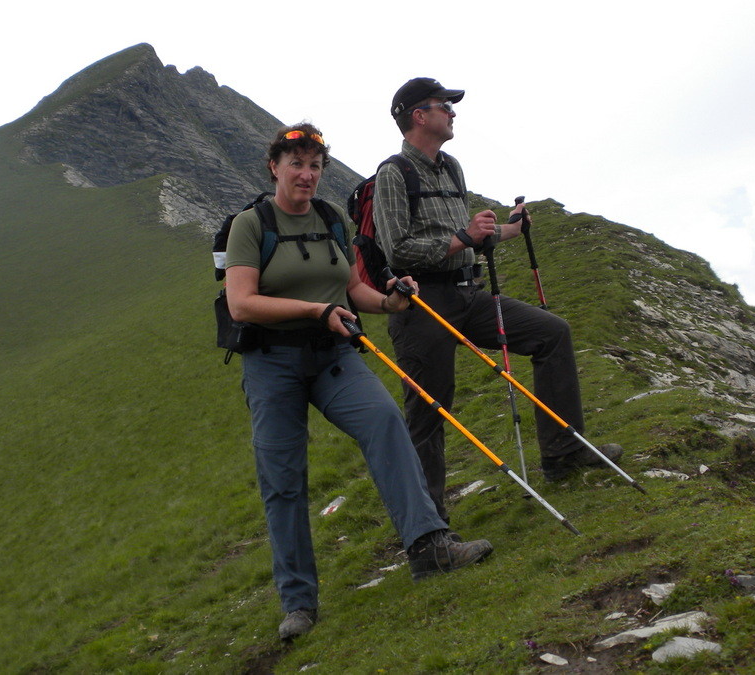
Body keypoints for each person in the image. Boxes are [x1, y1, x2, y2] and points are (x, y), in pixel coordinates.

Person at [225, 122, 493, 641]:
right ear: (274, 166)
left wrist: (392, 299)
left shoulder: (329, 219)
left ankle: (429, 548)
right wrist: (315, 308)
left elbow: (353, 289)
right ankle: (299, 604)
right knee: (283, 479)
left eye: (315, 166)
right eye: (296, 164)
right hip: (272, 362)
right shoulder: (250, 225)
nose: (306, 174)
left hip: (332, 356)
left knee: (386, 421)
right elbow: (242, 303)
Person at [373, 78, 623, 521]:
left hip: (468, 294)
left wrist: (507, 230)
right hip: (422, 305)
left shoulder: (451, 167)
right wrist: (460, 238)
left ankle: (563, 453)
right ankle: (429, 526)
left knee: (551, 333)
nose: (452, 113)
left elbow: (470, 241)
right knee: (430, 408)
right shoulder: (393, 173)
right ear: (418, 115)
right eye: (444, 105)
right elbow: (395, 251)